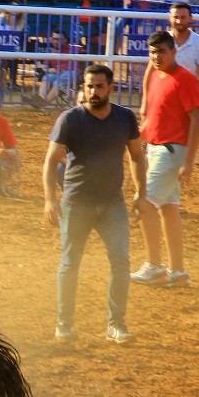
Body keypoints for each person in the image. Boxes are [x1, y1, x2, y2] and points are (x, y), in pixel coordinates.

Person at [42, 64, 146, 344]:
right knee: (70, 263)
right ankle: (64, 324)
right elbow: (51, 161)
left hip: (112, 204)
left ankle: (116, 324)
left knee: (120, 262)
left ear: (110, 87)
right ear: (83, 87)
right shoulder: (70, 119)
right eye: (89, 86)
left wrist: (141, 193)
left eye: (99, 86)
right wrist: (50, 199)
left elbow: (137, 156)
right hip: (77, 202)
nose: (93, 91)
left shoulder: (125, 118)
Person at [131, 31, 199, 288]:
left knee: (145, 202)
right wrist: (139, 138)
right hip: (158, 149)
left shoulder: (185, 79)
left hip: (171, 151)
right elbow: (155, 115)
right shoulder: (156, 76)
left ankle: (154, 266)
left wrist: (189, 160)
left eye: (162, 51)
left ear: (174, 52)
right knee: (168, 208)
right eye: (153, 52)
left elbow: (198, 119)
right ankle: (178, 271)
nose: (156, 56)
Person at [139, 2, 199, 119]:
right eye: (175, 17)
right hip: (161, 98)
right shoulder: (162, 40)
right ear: (170, 18)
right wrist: (145, 103)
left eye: (183, 17)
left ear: (190, 18)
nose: (179, 21)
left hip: (186, 102)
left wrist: (192, 101)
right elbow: (149, 73)